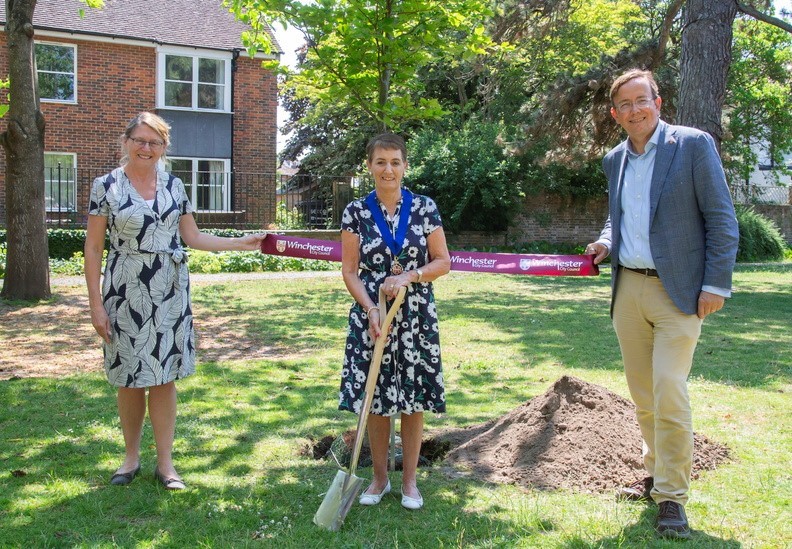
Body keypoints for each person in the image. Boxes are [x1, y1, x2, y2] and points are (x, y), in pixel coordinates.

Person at [586, 69, 739, 539]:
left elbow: (721, 218)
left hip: (681, 293)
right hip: (627, 291)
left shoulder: (692, 145)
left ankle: (672, 499)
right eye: (625, 105)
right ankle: (654, 475)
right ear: (615, 114)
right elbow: (621, 217)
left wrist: (716, 284)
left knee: (669, 389)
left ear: (658, 100)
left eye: (641, 100)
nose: (635, 110)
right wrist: (604, 242)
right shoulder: (616, 160)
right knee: (643, 396)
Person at [84, 112, 264, 489]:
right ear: (126, 142)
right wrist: (95, 305)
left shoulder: (174, 185)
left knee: (164, 378)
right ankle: (130, 459)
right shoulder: (106, 186)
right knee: (130, 380)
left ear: (164, 148)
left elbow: (193, 237)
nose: (146, 148)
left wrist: (239, 242)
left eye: (155, 142)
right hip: (124, 290)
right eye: (140, 140)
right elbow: (94, 247)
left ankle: (166, 466)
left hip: (169, 291)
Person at [339, 133, 451, 510]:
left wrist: (410, 277)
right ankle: (379, 479)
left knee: (412, 396)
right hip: (372, 314)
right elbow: (351, 271)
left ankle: (410, 483)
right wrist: (371, 308)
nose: (388, 169)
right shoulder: (355, 211)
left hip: (415, 313)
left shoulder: (424, 208)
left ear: (405, 166)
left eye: (395, 162)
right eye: (381, 162)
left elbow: (442, 262)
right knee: (375, 398)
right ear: (369, 166)